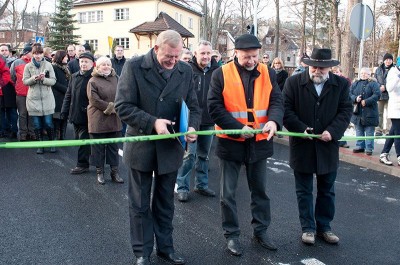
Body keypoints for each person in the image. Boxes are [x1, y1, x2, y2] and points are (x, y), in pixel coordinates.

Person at [114, 30, 201, 265]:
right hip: (141, 145)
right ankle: (142, 251)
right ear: (156, 49)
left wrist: (192, 127)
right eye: (168, 57)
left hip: (170, 148)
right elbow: (122, 106)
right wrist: (152, 122)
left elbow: (194, 105)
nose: (173, 62)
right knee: (139, 203)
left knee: (165, 202)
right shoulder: (134, 67)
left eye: (177, 56)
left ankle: (166, 248)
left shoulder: (185, 71)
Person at [208, 33, 283, 256]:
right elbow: (214, 106)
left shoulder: (269, 73)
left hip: (259, 143)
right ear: (235, 54)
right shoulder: (220, 73)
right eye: (246, 57)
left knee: (260, 191)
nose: (251, 61)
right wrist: (238, 127)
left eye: (254, 56)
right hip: (231, 142)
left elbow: (277, 101)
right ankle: (231, 235)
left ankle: (261, 231)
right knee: (228, 194)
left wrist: (273, 120)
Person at [283, 48, 352, 245]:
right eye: (314, 67)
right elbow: (286, 110)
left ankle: (324, 227)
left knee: (327, 190)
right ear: (308, 65)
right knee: (304, 190)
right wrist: (300, 128)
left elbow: (346, 110)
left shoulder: (340, 85)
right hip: (302, 145)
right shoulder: (293, 82)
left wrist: (333, 131)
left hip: (328, 145)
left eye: (322, 68)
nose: (317, 71)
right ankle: (308, 228)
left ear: (330, 68)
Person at [176, 40, 219, 202]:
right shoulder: (187, 70)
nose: (206, 56)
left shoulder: (217, 70)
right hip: (190, 121)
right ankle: (182, 187)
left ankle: (201, 185)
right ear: (195, 54)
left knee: (204, 156)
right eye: (202, 53)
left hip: (209, 120)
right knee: (188, 156)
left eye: (209, 53)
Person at [86, 56, 123, 184]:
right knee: (98, 148)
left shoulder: (116, 78)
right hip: (98, 119)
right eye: (103, 65)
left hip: (114, 119)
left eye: (108, 64)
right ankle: (100, 173)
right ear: (98, 67)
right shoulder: (92, 81)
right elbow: (94, 100)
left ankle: (114, 173)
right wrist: (110, 108)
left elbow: (122, 94)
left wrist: (117, 106)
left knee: (113, 148)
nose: (106, 66)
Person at [61, 52, 95, 174]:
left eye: (86, 61)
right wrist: (64, 111)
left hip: (88, 115)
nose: (83, 64)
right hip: (75, 114)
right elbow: (68, 95)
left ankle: (82, 164)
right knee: (80, 140)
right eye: (81, 61)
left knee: (83, 140)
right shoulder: (74, 76)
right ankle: (90, 159)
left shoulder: (94, 77)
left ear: (92, 64)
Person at [22, 43, 57, 154]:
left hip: (47, 99)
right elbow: (25, 81)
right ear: (32, 54)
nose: (38, 56)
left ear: (43, 53)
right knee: (37, 124)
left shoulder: (48, 65)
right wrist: (34, 78)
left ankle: (52, 143)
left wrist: (43, 79)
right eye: (36, 53)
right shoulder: (28, 66)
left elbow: (53, 80)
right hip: (33, 100)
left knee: (48, 123)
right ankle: (40, 145)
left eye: (40, 53)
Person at [350, 67, 380, 155]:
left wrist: (366, 101)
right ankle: (360, 146)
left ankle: (369, 148)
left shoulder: (373, 84)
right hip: (358, 112)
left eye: (365, 73)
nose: (363, 75)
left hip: (370, 112)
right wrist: (355, 98)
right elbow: (349, 93)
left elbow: (377, 94)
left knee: (369, 131)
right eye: (362, 73)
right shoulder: (355, 83)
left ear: (369, 74)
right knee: (359, 130)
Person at [10, 45, 35, 141]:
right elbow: (12, 77)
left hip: (32, 92)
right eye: (32, 52)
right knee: (23, 114)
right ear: (27, 52)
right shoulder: (16, 63)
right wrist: (17, 86)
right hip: (21, 93)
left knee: (32, 113)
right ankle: (23, 133)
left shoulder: (34, 62)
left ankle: (32, 132)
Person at [379, 57, 400, 166]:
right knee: (398, 133)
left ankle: (384, 153)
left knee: (393, 132)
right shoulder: (393, 72)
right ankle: (399, 155)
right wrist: (398, 77)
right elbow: (389, 88)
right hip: (396, 108)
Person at [331, 65, 352, 148]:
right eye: (334, 72)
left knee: (341, 123)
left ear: (341, 72)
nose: (335, 74)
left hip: (341, 104)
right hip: (333, 105)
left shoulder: (345, 82)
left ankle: (342, 141)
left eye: (337, 72)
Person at [52, 50, 70, 140]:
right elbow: (54, 82)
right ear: (61, 57)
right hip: (57, 96)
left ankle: (63, 136)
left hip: (65, 96)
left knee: (64, 117)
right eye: (65, 56)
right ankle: (56, 137)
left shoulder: (66, 67)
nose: (67, 58)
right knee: (57, 118)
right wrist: (66, 90)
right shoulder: (54, 67)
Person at [374, 53, 394, 135]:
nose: (388, 61)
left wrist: (385, 87)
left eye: (390, 59)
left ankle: (389, 130)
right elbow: (374, 80)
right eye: (386, 59)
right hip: (380, 94)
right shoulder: (378, 69)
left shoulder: (395, 69)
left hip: (391, 94)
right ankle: (379, 129)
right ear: (384, 60)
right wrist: (379, 86)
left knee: (390, 113)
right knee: (379, 113)